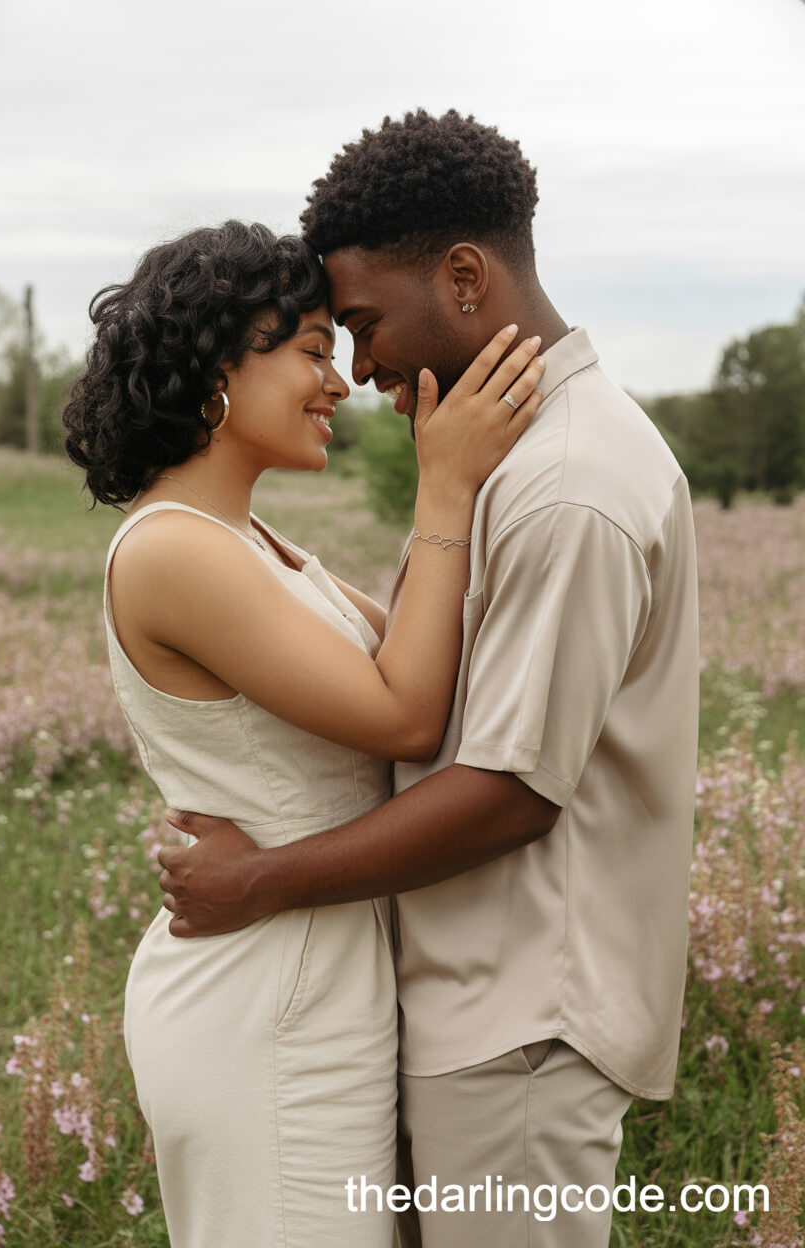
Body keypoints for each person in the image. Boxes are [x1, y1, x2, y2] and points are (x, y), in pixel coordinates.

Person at [159, 111, 700, 1248]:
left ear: (463, 277)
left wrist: (259, 883)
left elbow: (511, 788)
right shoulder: (505, 456)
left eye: (360, 324)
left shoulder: (565, 485)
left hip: (517, 1028)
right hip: (469, 1010)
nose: (360, 371)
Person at [62, 218, 544, 1248]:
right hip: (261, 997)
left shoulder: (251, 541)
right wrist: (445, 482)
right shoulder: (173, 554)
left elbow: (430, 665)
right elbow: (405, 712)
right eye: (314, 351)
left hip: (320, 970)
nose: (340, 381)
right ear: (217, 365)